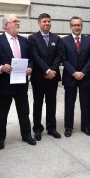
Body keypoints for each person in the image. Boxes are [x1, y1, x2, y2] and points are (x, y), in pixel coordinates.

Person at [0, 14, 36, 149]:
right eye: (15, 21)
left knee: (24, 111)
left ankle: (26, 135)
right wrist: (1, 67)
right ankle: (1, 138)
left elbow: (30, 58)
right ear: (6, 25)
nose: (17, 23)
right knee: (3, 113)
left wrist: (30, 68)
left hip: (21, 83)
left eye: (18, 21)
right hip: (4, 84)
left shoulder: (24, 40)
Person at [28, 13, 62, 141]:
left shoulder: (56, 38)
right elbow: (35, 56)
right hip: (39, 77)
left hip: (53, 77)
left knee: (51, 103)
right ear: (39, 23)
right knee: (38, 103)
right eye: (44, 22)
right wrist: (47, 70)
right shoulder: (32, 38)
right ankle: (37, 129)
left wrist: (52, 70)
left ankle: (51, 128)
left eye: (49, 21)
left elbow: (59, 56)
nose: (47, 24)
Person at [61, 16, 90, 137]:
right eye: (74, 25)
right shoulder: (64, 41)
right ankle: (68, 127)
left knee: (85, 103)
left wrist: (83, 72)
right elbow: (63, 59)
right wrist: (74, 72)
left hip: (85, 77)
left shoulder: (88, 40)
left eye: (79, 25)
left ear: (82, 26)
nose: (77, 27)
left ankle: (85, 126)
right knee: (69, 104)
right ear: (71, 27)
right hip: (70, 77)